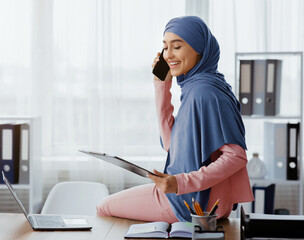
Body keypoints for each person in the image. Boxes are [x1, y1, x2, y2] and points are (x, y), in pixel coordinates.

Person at [96, 16, 254, 223]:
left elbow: (236, 156)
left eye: (177, 47)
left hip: (192, 203)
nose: (168, 55)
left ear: (199, 50)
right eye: (165, 47)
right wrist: (161, 84)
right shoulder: (203, 86)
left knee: (103, 207)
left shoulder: (203, 92)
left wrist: (181, 182)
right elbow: (171, 143)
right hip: (203, 200)